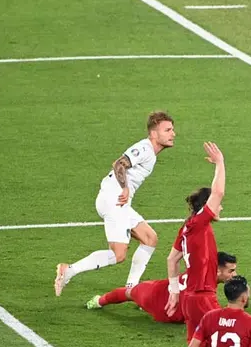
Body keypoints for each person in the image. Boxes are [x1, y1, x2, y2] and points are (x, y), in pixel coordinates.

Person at [55, 111, 175, 296]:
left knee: (150, 238)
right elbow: (119, 164)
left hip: (118, 201)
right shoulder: (144, 149)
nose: (172, 133)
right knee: (119, 254)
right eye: (167, 130)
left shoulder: (150, 153)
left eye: (172, 129)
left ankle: (131, 288)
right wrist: (125, 187)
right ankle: (68, 270)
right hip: (115, 199)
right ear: (153, 133)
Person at [153, 141, 226, 347]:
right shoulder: (198, 223)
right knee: (230, 342)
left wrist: (173, 293)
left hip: (190, 299)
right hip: (204, 297)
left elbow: (172, 259)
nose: (220, 209)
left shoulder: (186, 227)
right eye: (217, 206)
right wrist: (220, 163)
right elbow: (218, 191)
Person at [84, 252, 239, 323]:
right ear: (218, 271)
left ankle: (98, 301)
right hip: (163, 308)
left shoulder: (200, 270)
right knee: (130, 293)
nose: (234, 274)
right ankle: (99, 301)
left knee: (130, 293)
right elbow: (216, 316)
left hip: (157, 290)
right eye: (231, 271)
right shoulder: (205, 289)